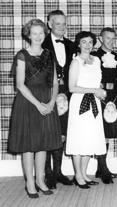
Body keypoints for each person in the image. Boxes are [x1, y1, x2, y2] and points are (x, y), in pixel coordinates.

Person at [9, 19, 62, 198]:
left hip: (47, 101)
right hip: (28, 102)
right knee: (28, 145)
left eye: (41, 33)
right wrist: (38, 104)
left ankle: (40, 180)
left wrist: (52, 102)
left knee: (43, 144)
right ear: (28, 35)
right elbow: (20, 85)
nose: (38, 36)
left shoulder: (48, 54)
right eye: (35, 33)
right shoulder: (22, 55)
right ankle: (30, 183)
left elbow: (55, 82)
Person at [65, 31, 106, 189]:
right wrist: (93, 90)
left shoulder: (96, 60)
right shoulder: (76, 62)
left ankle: (84, 173)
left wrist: (100, 90)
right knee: (79, 138)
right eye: (84, 42)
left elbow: (97, 82)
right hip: (80, 103)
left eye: (90, 42)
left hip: (94, 102)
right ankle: (78, 175)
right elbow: (71, 87)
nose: (88, 45)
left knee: (90, 138)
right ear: (79, 44)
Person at [42, 10, 75, 189]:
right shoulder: (42, 43)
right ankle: (48, 174)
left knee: (62, 132)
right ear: (49, 24)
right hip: (47, 93)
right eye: (58, 23)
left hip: (67, 93)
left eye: (64, 23)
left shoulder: (70, 45)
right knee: (48, 132)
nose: (62, 27)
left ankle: (58, 172)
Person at [91, 27, 117, 184]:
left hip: (114, 97)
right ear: (101, 39)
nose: (111, 41)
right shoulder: (93, 57)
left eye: (113, 38)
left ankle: (100, 168)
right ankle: (104, 169)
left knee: (108, 132)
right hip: (98, 96)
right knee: (99, 132)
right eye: (108, 38)